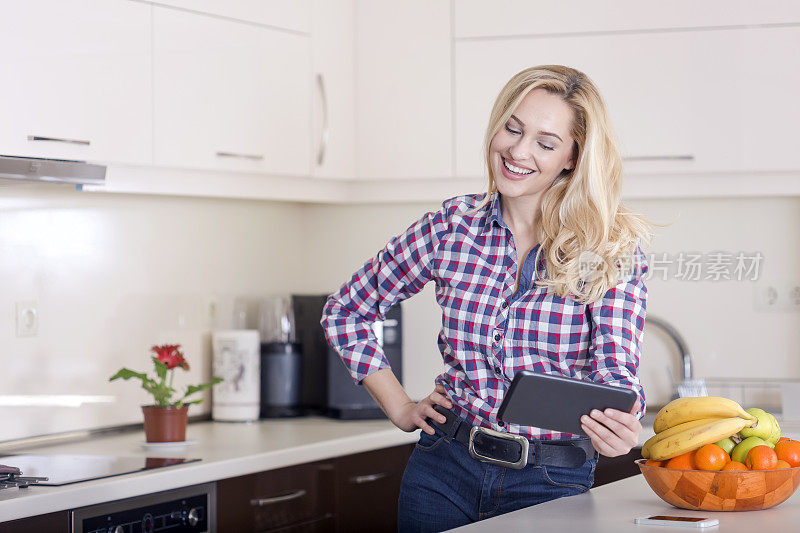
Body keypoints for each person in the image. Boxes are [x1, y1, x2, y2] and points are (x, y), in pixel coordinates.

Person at [321, 65, 653, 532]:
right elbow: (347, 310)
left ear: (573, 158)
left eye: (545, 142)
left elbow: (617, 370)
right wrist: (398, 405)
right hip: (442, 471)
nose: (517, 152)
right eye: (512, 128)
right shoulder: (452, 226)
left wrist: (620, 424)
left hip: (550, 480)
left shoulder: (607, 246)